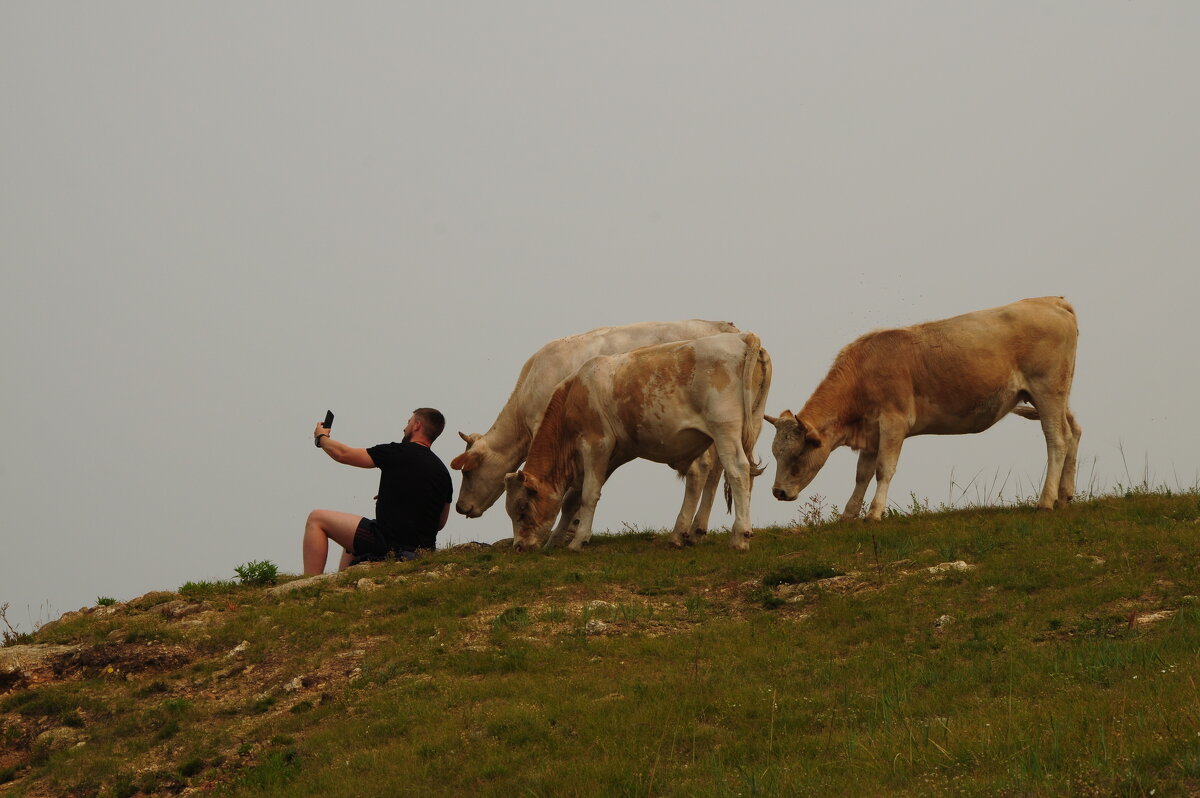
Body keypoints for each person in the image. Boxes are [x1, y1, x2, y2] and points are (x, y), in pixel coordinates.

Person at [303, 408, 453, 575]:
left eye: (408, 422)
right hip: (422, 551)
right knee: (351, 541)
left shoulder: (394, 452)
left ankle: (310, 581)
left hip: (387, 543)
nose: (405, 428)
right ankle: (342, 580)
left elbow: (343, 454)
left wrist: (321, 438)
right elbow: (440, 523)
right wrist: (399, 499)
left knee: (316, 519)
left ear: (417, 425)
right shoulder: (443, 473)